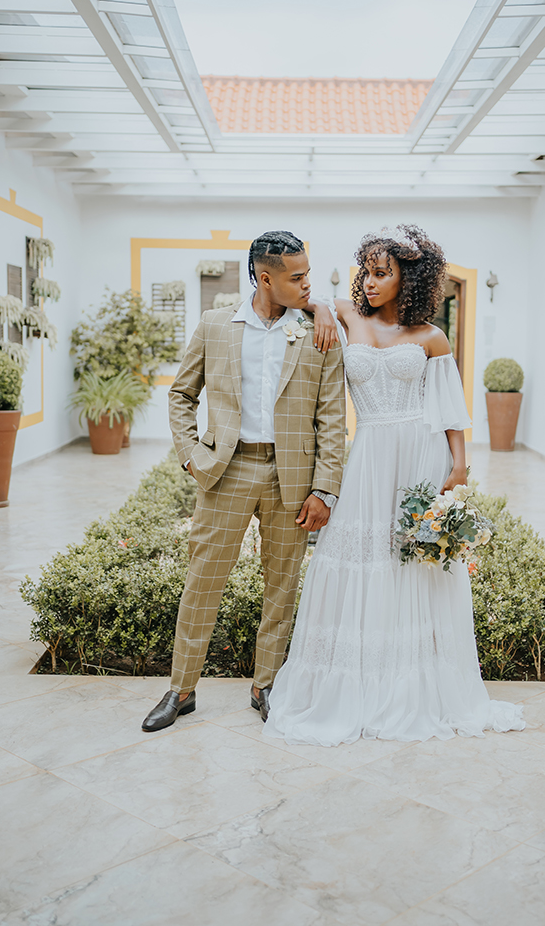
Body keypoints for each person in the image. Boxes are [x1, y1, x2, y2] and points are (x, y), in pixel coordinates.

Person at [263, 225, 525, 746]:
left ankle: (413, 685)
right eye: (368, 272)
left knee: (413, 568)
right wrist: (319, 311)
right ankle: (352, 683)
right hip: (368, 458)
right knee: (358, 558)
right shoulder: (348, 314)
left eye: (383, 274)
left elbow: (451, 411)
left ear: (411, 278)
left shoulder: (431, 336)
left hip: (419, 458)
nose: (371, 282)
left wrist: (458, 468)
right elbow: (310, 298)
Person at [142, 230, 346, 732]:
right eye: (297, 277)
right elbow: (181, 394)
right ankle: (181, 689)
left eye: (308, 275)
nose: (307, 284)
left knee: (282, 587)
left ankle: (267, 685)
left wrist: (325, 489)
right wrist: (191, 455)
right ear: (264, 277)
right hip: (225, 471)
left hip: (292, 478)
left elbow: (332, 419)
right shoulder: (216, 325)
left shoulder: (319, 332)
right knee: (202, 584)